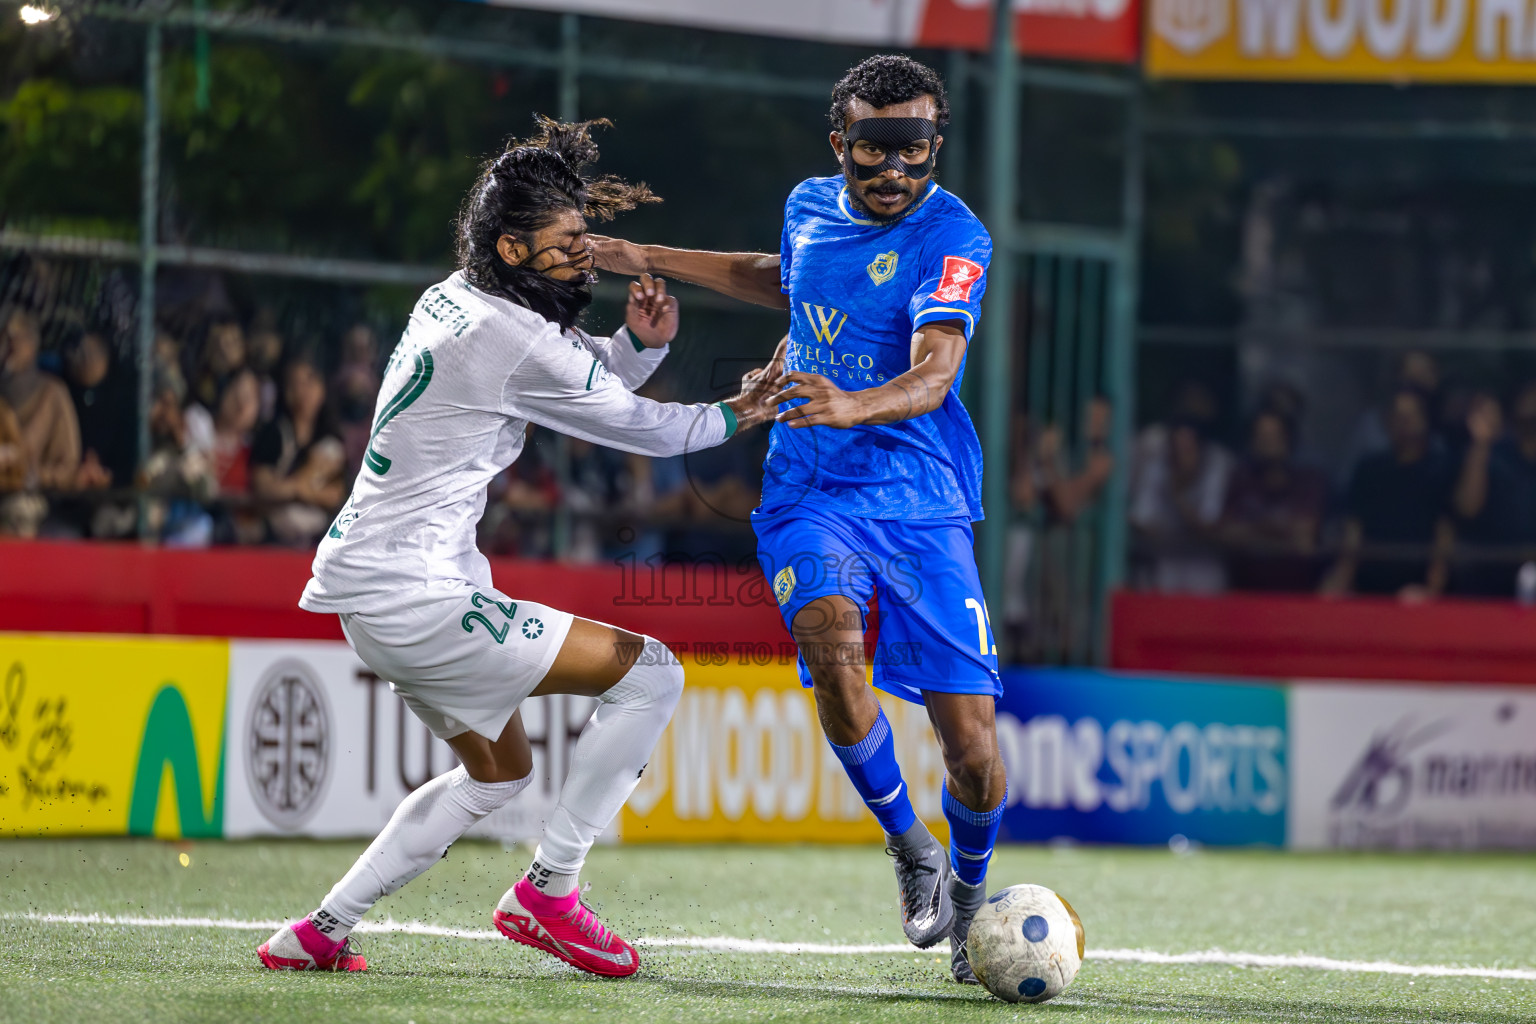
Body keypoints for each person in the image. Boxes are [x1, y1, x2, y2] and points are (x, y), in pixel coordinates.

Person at [258, 116, 773, 977]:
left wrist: (638, 346)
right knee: (652, 674)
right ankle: (550, 890)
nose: (584, 257)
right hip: (415, 593)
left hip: (376, 588)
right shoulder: (513, 336)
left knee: (497, 775)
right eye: (566, 242)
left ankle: (318, 931)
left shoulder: (460, 297)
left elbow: (577, 379)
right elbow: (639, 428)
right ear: (513, 248)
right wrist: (742, 410)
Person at [593, 55, 1005, 984]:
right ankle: (910, 847)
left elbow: (937, 370)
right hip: (809, 488)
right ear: (839, 143)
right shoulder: (809, 205)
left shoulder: (955, 235)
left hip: (920, 498)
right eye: (874, 147)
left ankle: (972, 899)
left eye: (913, 148)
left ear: (935, 146)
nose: (893, 168)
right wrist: (650, 257)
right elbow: (786, 280)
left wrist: (851, 403)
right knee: (829, 640)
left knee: (974, 750)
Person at [1322, 388, 1454, 600]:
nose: (1404, 422)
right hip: (1366, 583)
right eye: (1398, 415)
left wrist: (1431, 588)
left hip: (1416, 587)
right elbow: (1354, 529)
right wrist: (1342, 576)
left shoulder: (1441, 469)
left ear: (1425, 420)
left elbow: (1444, 532)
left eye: (1411, 415)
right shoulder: (1369, 468)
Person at [1219, 409, 1329, 591]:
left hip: (1295, 590)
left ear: (1288, 439)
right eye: (1261, 436)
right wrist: (1278, 529)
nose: (1267, 443)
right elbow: (1226, 534)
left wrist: (1252, 531)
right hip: (1245, 589)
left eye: (1274, 436)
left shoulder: (1309, 481)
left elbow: (1304, 539)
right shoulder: (1240, 479)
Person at [250, 353, 347, 546]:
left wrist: (298, 490)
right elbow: (263, 488)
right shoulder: (274, 432)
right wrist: (304, 482)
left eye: (310, 381)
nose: (303, 390)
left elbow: (334, 495)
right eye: (295, 383)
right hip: (276, 529)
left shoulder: (330, 440)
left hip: (319, 533)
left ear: (322, 388)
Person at [1450, 385, 1536, 596]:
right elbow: (1467, 508)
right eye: (1528, 415)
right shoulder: (1492, 454)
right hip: (1491, 577)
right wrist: (1480, 444)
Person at [1, 308, 81, 493]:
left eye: (18, 339)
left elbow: (68, 463)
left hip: (35, 499)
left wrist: (39, 476)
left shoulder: (53, 393)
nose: (11, 347)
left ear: (32, 345)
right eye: (5, 339)